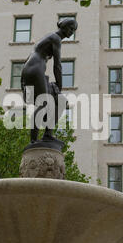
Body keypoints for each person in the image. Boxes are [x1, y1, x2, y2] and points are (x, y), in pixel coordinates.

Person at [21, 18, 78, 147]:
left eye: (74, 30)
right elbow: (57, 65)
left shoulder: (51, 37)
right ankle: (33, 140)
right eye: (70, 28)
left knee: (60, 100)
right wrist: (60, 86)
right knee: (44, 102)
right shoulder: (56, 38)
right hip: (35, 70)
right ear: (63, 27)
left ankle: (48, 133)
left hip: (33, 70)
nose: (72, 32)